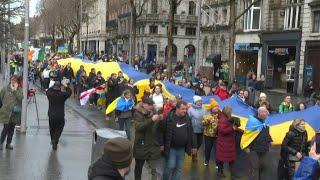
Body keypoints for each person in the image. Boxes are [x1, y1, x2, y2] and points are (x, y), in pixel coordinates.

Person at [161, 101, 196, 180]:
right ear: (177, 109)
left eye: (186, 109)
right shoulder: (168, 117)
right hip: (171, 147)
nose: (185, 111)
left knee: (179, 168)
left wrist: (194, 146)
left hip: (182, 148)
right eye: (182, 109)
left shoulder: (187, 118)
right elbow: (161, 131)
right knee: (170, 166)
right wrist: (161, 144)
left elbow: (191, 132)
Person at [133, 97, 163, 180]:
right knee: (139, 167)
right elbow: (139, 127)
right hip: (141, 144)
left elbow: (158, 129)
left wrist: (160, 119)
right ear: (144, 104)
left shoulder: (153, 112)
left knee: (154, 168)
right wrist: (151, 120)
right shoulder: (137, 113)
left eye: (152, 105)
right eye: (149, 105)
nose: (151, 106)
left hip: (152, 144)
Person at [245, 107, 272, 180]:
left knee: (263, 166)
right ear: (259, 113)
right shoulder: (252, 122)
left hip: (264, 148)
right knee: (255, 167)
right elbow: (247, 135)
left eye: (266, 112)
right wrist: (247, 147)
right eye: (264, 112)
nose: (266, 114)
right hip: (254, 149)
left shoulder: (265, 122)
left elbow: (267, 133)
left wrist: (269, 142)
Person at [46, 81, 72, 150]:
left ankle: (53, 140)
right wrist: (66, 86)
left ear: (54, 86)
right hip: (60, 115)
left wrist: (52, 86)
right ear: (60, 87)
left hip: (51, 114)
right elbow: (69, 92)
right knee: (60, 127)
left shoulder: (50, 94)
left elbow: (48, 90)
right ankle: (55, 140)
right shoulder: (62, 95)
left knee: (52, 128)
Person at [0, 75, 23, 150]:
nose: (13, 81)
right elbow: (1, 98)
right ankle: (1, 143)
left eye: (15, 80)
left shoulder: (19, 89)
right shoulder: (5, 88)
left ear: (17, 82)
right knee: (5, 128)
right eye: (12, 80)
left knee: (12, 129)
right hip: (6, 112)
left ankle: (8, 144)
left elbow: (20, 98)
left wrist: (15, 90)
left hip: (14, 113)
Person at [215, 106, 237, 177]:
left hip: (226, 142)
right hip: (225, 143)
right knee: (227, 159)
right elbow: (222, 130)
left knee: (224, 159)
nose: (231, 113)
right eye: (230, 111)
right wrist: (232, 128)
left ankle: (222, 172)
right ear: (227, 112)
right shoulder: (223, 119)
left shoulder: (224, 118)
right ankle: (232, 175)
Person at [188, 96, 208, 161]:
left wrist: (206, 121)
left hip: (201, 129)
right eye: (198, 101)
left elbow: (207, 117)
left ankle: (194, 151)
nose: (200, 102)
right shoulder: (190, 109)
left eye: (201, 101)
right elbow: (187, 119)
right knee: (194, 144)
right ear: (195, 102)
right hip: (193, 129)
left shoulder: (204, 109)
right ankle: (194, 155)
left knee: (200, 143)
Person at [202, 99, 219, 166]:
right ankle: (206, 160)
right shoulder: (207, 114)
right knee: (207, 149)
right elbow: (203, 123)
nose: (217, 108)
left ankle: (217, 163)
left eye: (217, 106)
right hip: (208, 135)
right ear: (212, 108)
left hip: (217, 136)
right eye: (215, 106)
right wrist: (207, 121)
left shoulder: (219, 115)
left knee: (217, 150)